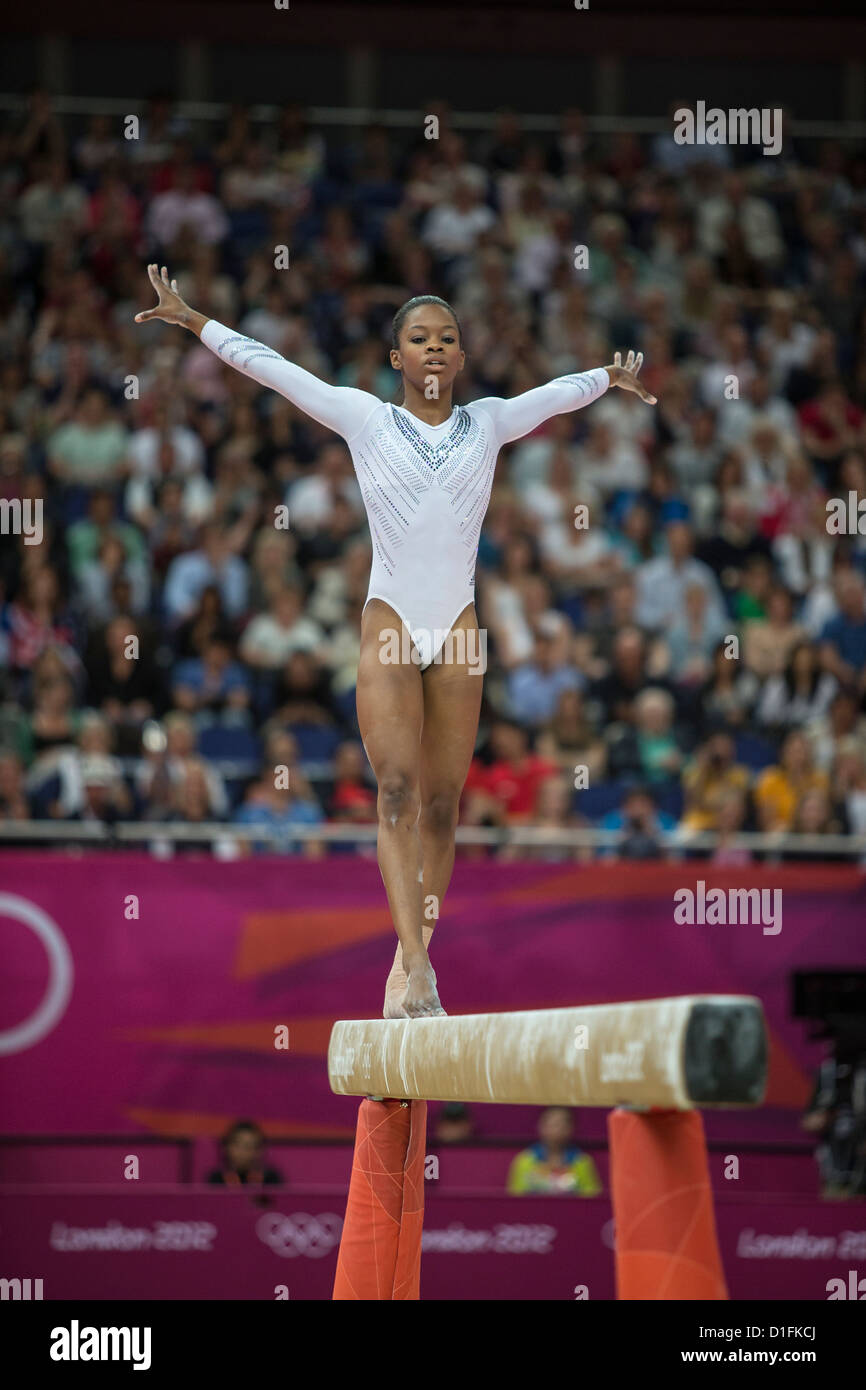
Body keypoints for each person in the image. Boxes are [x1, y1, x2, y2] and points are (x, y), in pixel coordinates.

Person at [136, 263, 656, 1017]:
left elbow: (559, 394)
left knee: (444, 804)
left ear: (462, 357)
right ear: (397, 358)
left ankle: (417, 952)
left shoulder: (491, 421)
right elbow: (274, 369)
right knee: (398, 792)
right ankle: (415, 969)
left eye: (447, 338)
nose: (436, 349)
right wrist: (192, 320)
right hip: (389, 619)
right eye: (420, 338)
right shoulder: (365, 418)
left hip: (460, 631)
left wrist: (610, 376)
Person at [506, 1107, 601, 1195]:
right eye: (551, 1124)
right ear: (540, 1126)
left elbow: (591, 1198)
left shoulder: (582, 1161)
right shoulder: (525, 1160)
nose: (557, 1129)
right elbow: (516, 1197)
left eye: (562, 1124)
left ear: (571, 1128)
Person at [207, 1120, 284, 1187]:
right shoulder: (216, 1179)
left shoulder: (271, 1179)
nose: (242, 1152)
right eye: (237, 1145)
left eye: (249, 1146)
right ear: (226, 1147)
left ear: (259, 1151)